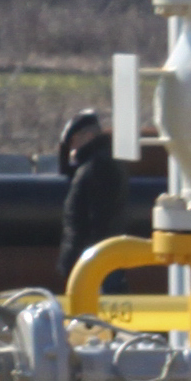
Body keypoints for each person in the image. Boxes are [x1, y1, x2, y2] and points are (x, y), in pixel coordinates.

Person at [54, 108, 125, 280]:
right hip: (95, 261)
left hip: (94, 265)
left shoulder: (98, 167)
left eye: (74, 140)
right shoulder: (94, 164)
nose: (72, 148)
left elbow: (99, 222)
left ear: (88, 136)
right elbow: (67, 171)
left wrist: (89, 262)